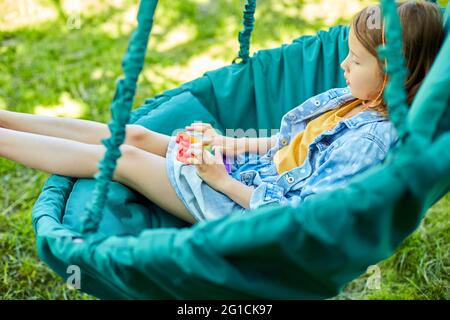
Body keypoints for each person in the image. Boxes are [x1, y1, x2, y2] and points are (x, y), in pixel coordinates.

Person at [0, 1, 444, 224]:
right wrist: (228, 144)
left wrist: (221, 179)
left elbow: (303, 215)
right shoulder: (350, 99)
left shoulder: (370, 141)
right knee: (134, 136)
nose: (343, 65)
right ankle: (7, 118)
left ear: (393, 76)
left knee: (121, 159)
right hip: (243, 171)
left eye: (357, 61)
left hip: (238, 211)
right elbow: (288, 144)